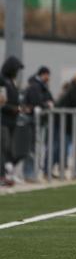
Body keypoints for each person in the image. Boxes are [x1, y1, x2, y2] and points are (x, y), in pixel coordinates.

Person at [22, 66, 54, 182]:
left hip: (39, 121)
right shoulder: (35, 85)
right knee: (32, 148)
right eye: (47, 75)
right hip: (33, 121)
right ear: (43, 74)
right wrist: (47, 105)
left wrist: (48, 103)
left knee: (36, 148)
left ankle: (32, 173)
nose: (48, 78)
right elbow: (37, 102)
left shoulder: (42, 86)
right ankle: (29, 174)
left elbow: (50, 99)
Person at [0, 57, 25, 187]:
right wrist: (14, 108)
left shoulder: (11, 81)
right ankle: (3, 175)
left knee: (9, 149)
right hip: (3, 119)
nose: (17, 72)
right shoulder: (2, 80)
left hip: (11, 120)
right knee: (4, 147)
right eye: (16, 69)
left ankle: (8, 174)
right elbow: (1, 102)